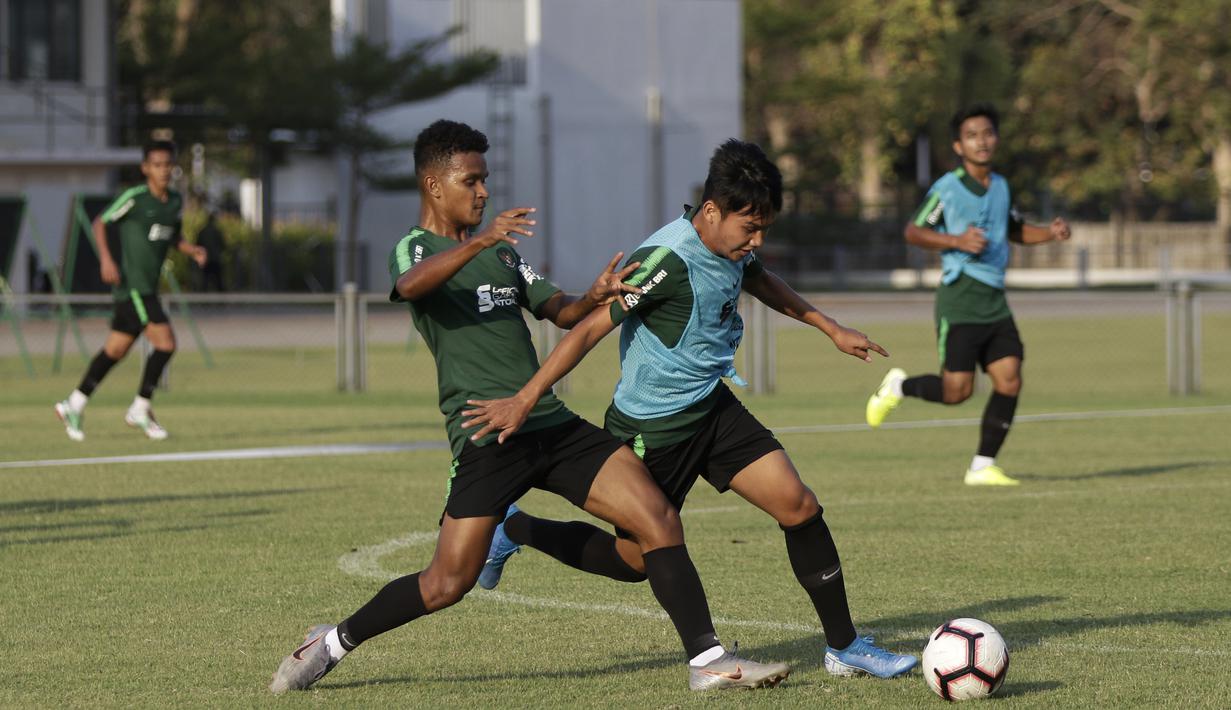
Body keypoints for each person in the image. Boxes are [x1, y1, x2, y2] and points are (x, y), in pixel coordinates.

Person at [269, 120, 790, 694]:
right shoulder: (418, 248)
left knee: (657, 521)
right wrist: (482, 240)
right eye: (471, 180)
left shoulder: (504, 258)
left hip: (547, 420)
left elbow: (561, 312)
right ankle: (332, 642)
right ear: (433, 184)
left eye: (485, 180)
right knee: (446, 583)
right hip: (488, 434)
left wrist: (593, 294)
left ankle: (707, 661)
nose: (484, 191)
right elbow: (412, 286)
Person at [461, 139, 918, 680]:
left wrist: (829, 327)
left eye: (764, 228)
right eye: (749, 228)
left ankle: (844, 647)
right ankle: (518, 531)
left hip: (712, 409)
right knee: (633, 562)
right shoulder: (664, 261)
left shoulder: (733, 248)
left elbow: (762, 280)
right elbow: (586, 331)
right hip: (651, 429)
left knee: (799, 505)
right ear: (710, 212)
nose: (757, 241)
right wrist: (525, 397)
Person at [865, 103, 1071, 486]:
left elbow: (1013, 230)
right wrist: (955, 239)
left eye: (988, 133)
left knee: (1009, 379)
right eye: (972, 135)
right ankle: (898, 386)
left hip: (995, 300)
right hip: (959, 299)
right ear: (959, 146)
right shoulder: (948, 188)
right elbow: (913, 230)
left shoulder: (1002, 187)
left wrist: (1050, 232)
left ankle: (982, 465)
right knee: (957, 392)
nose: (982, 141)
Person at [54, 140, 206, 441]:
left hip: (146, 289)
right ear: (145, 168)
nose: (164, 171)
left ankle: (74, 403)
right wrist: (107, 260)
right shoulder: (135, 198)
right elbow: (101, 222)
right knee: (165, 343)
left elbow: (172, 237)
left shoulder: (174, 202)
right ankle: (140, 407)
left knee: (115, 351)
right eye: (157, 165)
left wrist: (192, 251)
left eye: (168, 165)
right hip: (135, 288)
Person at [194, 211, 225, 292]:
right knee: (218, 281)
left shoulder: (202, 231)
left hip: (206, 258)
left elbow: (197, 244)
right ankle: (222, 301)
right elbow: (222, 244)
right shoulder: (217, 231)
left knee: (205, 280)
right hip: (215, 258)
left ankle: (203, 300)